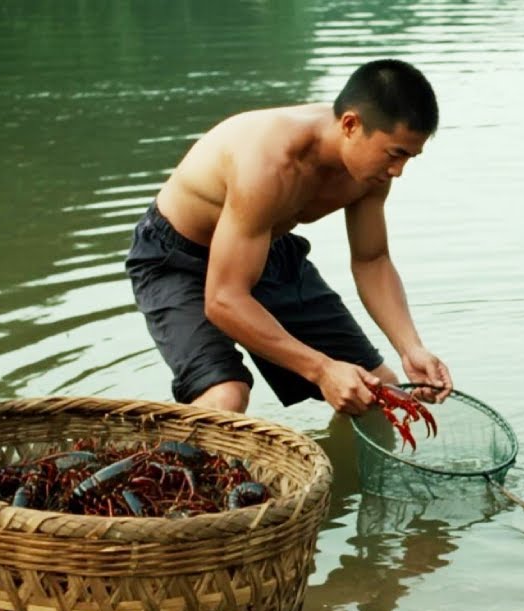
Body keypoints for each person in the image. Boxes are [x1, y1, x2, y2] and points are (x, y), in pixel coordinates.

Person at [125, 59, 452, 417]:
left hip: (263, 247)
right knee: (225, 398)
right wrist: (322, 369)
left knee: (377, 394)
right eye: (396, 154)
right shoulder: (269, 162)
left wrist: (410, 347)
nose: (398, 171)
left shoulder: (373, 172)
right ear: (350, 125)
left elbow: (371, 260)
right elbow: (223, 299)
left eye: (409, 157)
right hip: (177, 258)